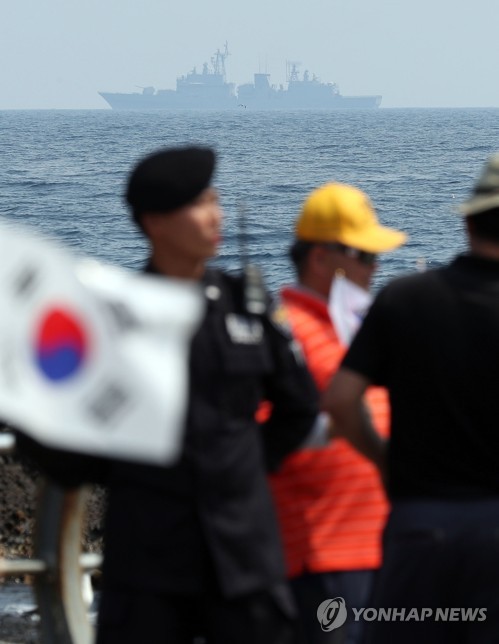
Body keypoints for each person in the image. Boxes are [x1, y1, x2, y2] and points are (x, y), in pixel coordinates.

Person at [18, 146, 321, 644]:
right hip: (148, 564)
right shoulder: (111, 319)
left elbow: (300, 405)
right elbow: (55, 433)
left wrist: (242, 467)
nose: (216, 216)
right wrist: (125, 473)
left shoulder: (247, 307)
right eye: (199, 204)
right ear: (155, 222)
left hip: (243, 559)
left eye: (216, 200)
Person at [323, 154, 499, 643]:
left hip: (420, 524)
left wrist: (384, 462)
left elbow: (341, 400)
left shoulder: (405, 297)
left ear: (468, 223)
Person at [267, 183, 406, 643]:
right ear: (320, 258)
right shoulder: (285, 333)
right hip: (321, 554)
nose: (374, 267)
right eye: (363, 255)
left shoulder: (356, 327)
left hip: (379, 546)